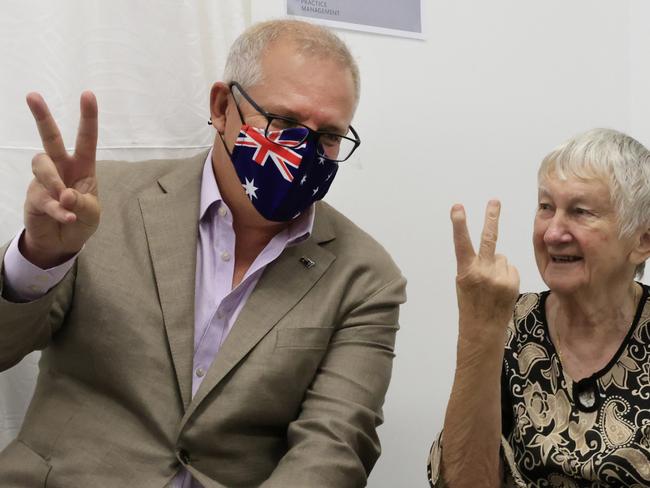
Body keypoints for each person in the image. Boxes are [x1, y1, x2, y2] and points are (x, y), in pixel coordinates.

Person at [0, 19, 406, 488]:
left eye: (328, 137)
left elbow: (335, 445)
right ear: (221, 107)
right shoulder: (100, 203)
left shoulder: (366, 275)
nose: (301, 152)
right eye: (286, 123)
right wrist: (38, 260)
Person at [429, 128, 650, 487]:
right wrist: (477, 331)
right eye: (546, 207)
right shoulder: (507, 323)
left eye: (580, 212)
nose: (552, 233)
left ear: (642, 241)